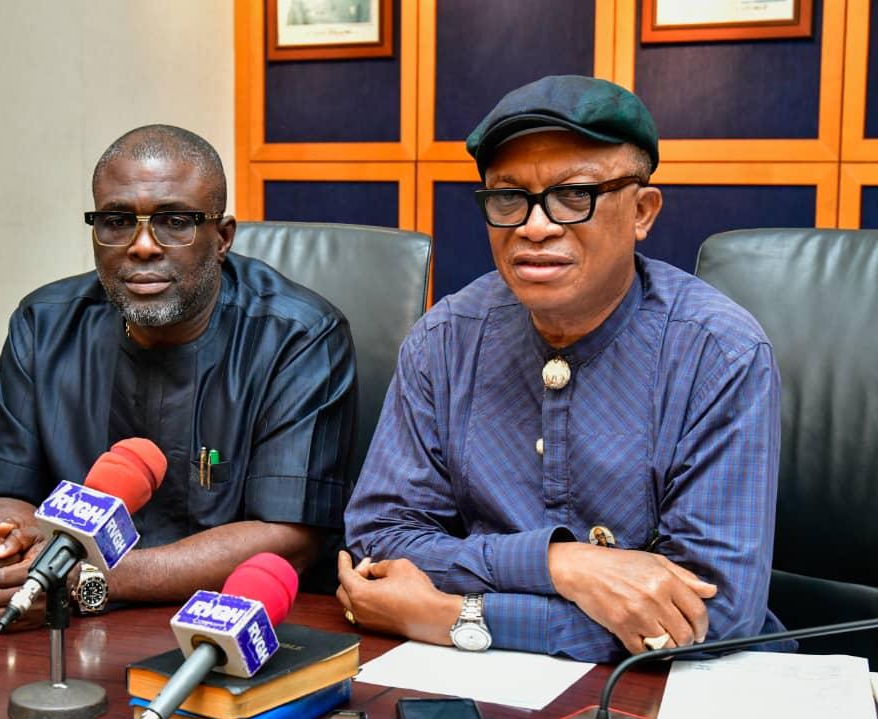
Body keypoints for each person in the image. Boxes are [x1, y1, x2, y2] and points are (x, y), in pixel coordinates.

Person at [338, 75, 791, 661]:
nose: (534, 226)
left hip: (668, 688)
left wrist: (456, 614)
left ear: (642, 211)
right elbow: (380, 542)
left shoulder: (718, 353)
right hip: (470, 682)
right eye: (507, 198)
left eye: (574, 195)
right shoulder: (446, 339)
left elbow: (714, 614)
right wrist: (562, 564)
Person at [0, 125, 356, 629]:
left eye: (175, 221)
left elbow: (289, 538)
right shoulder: (43, 324)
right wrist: (7, 556)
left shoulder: (299, 336)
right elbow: (0, 492)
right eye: (116, 220)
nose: (143, 245)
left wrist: (86, 581)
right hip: (62, 628)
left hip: (233, 628)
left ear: (222, 238)